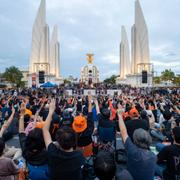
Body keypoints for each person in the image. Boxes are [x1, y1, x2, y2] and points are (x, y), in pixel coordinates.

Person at [43, 99, 84, 180]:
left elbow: (45, 130)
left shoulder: (52, 152)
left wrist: (51, 112)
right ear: (74, 141)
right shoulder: (79, 155)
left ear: (58, 141)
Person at [117, 105, 156, 180]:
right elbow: (151, 123)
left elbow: (123, 132)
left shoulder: (131, 150)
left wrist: (119, 116)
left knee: (121, 174)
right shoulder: (153, 156)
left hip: (131, 176)